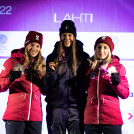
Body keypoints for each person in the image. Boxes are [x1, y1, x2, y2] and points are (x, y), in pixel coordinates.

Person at [44, 20, 89, 134]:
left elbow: (87, 82)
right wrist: (51, 71)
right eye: (64, 35)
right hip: (56, 108)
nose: (67, 38)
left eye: (70, 35)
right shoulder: (52, 57)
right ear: (60, 36)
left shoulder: (83, 57)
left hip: (76, 108)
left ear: (74, 36)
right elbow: (47, 85)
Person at [0, 31, 46, 134]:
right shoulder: (13, 62)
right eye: (32, 45)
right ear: (26, 44)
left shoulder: (41, 64)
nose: (34, 49)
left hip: (35, 118)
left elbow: (44, 91)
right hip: (15, 116)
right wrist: (10, 78)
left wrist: (48, 80)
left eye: (38, 46)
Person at [84, 36, 129, 134]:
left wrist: (117, 84)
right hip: (91, 119)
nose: (101, 50)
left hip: (111, 119)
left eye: (105, 47)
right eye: (99, 47)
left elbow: (125, 94)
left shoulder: (118, 67)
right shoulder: (89, 67)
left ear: (110, 50)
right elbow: (83, 88)